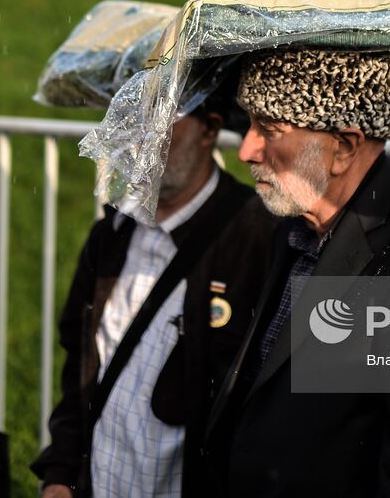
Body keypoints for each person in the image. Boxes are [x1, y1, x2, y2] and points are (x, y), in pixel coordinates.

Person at [205, 47, 390, 497]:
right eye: (248, 124)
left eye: (270, 129)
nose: (246, 148)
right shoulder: (293, 227)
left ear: (343, 147)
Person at [30, 91, 272, 498]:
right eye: (134, 116)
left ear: (210, 129)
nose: (143, 135)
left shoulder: (255, 236)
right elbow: (81, 362)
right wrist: (61, 472)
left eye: (163, 119)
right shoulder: (113, 232)